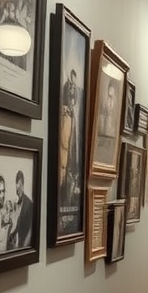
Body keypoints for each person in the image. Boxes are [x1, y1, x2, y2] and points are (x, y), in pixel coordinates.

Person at [60, 68, 80, 204]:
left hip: (71, 119)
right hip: (66, 118)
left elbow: (75, 101)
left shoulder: (75, 89)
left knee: (72, 148)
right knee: (65, 147)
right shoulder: (66, 86)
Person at [9, 170, 33, 249]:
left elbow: (30, 229)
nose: (17, 187)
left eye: (20, 184)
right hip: (15, 244)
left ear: (23, 185)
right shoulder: (15, 203)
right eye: (16, 184)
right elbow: (16, 224)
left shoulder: (29, 203)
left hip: (23, 244)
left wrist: (24, 247)